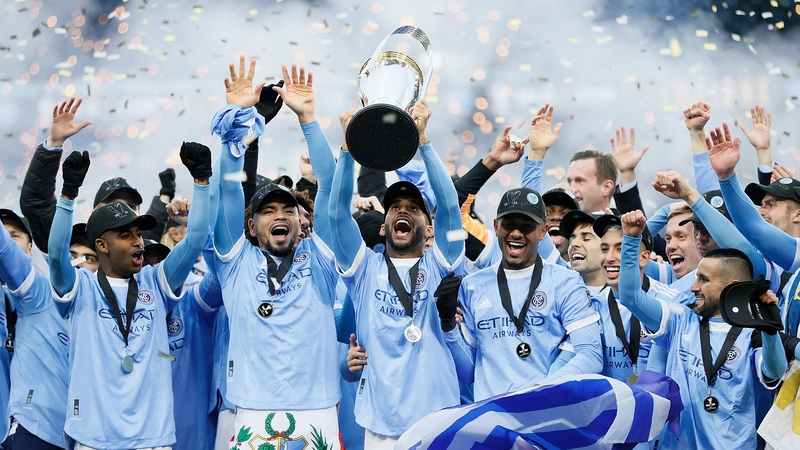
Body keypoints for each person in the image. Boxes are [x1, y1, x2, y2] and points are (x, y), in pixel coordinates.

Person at [212, 58, 341, 448]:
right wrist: (238, 127)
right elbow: (229, 190)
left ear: (304, 223)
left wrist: (308, 120)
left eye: (288, 210)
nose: (280, 216)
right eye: (267, 211)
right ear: (251, 226)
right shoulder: (234, 263)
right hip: (251, 411)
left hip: (317, 412)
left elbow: (332, 190)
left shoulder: (322, 259)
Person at [48, 141, 211, 449]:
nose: (138, 242)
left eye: (138, 233)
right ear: (102, 245)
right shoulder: (81, 287)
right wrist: (68, 193)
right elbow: (56, 256)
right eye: (126, 235)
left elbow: (195, 241)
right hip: (95, 440)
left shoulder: (156, 283)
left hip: (153, 439)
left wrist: (201, 180)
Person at [328, 98, 465, 448]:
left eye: (414, 208)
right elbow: (337, 216)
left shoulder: (441, 262)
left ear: (428, 225)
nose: (403, 211)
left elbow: (450, 205)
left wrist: (423, 142)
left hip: (438, 420)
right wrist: (347, 148)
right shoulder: (364, 270)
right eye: (395, 208)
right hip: (381, 426)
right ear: (385, 227)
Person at [618, 210, 786, 449]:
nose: (694, 286)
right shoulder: (681, 319)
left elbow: (774, 371)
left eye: (704, 280)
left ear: (731, 287)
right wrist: (631, 240)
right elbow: (631, 298)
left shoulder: (753, 333)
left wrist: (770, 331)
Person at [441, 187, 602, 402]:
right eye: (509, 224)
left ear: (543, 231)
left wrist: (538, 391)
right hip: (491, 422)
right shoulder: (473, 286)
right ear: (496, 226)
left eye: (527, 226)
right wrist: (448, 325)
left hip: (543, 418)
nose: (516, 233)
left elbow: (591, 355)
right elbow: (468, 372)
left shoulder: (566, 282)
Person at [0, 209, 67, 449]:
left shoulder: (45, 297)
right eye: (3, 235)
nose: (6, 242)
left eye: (14, 236)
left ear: (30, 249)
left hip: (40, 431)